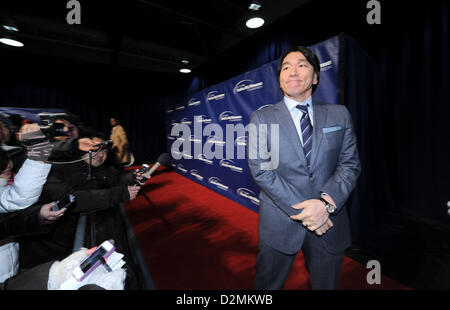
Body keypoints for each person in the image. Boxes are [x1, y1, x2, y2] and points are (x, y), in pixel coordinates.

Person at [247, 46, 361, 290]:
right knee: (267, 286)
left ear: (316, 77)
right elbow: (262, 170)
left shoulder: (339, 114)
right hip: (279, 221)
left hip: (329, 221)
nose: (293, 71)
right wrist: (310, 212)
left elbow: (349, 164)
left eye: (302, 65)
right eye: (286, 67)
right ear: (279, 79)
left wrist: (325, 205)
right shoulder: (262, 118)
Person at [18, 130, 141, 270]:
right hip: (41, 248)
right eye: (96, 149)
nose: (101, 155)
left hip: (65, 243)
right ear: (82, 148)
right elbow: (73, 199)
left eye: (105, 151)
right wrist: (118, 194)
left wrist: (131, 177)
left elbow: (114, 178)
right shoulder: (58, 166)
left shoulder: (96, 169)